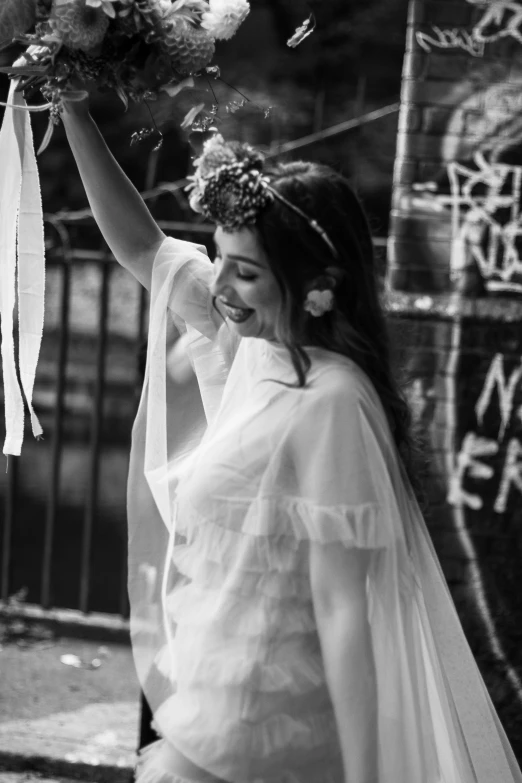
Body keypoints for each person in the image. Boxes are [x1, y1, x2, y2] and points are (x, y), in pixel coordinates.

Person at [62, 97, 522, 783]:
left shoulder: (333, 399)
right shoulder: (246, 342)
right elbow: (141, 246)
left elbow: (345, 610)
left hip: (272, 734)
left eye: (244, 271)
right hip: (217, 710)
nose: (219, 284)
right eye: (220, 258)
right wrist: (69, 95)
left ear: (317, 287)